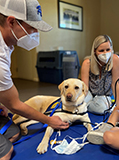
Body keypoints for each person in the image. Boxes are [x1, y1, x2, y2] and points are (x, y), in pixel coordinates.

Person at [0, 0, 69, 159]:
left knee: (14, 131)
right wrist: (49, 120)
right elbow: (16, 105)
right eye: (32, 27)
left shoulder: (7, 44)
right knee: (6, 152)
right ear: (11, 22)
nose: (35, 33)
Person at [81, 35, 119, 115]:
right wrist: (81, 100)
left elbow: (115, 83)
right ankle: (86, 104)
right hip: (89, 92)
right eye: (101, 50)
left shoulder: (116, 60)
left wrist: (118, 105)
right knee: (78, 103)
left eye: (108, 49)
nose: (105, 53)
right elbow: (85, 88)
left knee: (102, 109)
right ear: (94, 51)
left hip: (104, 96)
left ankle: (86, 106)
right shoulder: (87, 63)